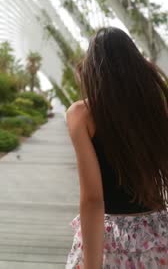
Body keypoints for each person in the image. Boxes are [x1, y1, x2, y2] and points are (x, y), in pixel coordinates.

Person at [65, 27, 168, 269]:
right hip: (157, 236)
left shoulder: (82, 114)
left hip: (111, 240)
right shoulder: (158, 110)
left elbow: (92, 199)